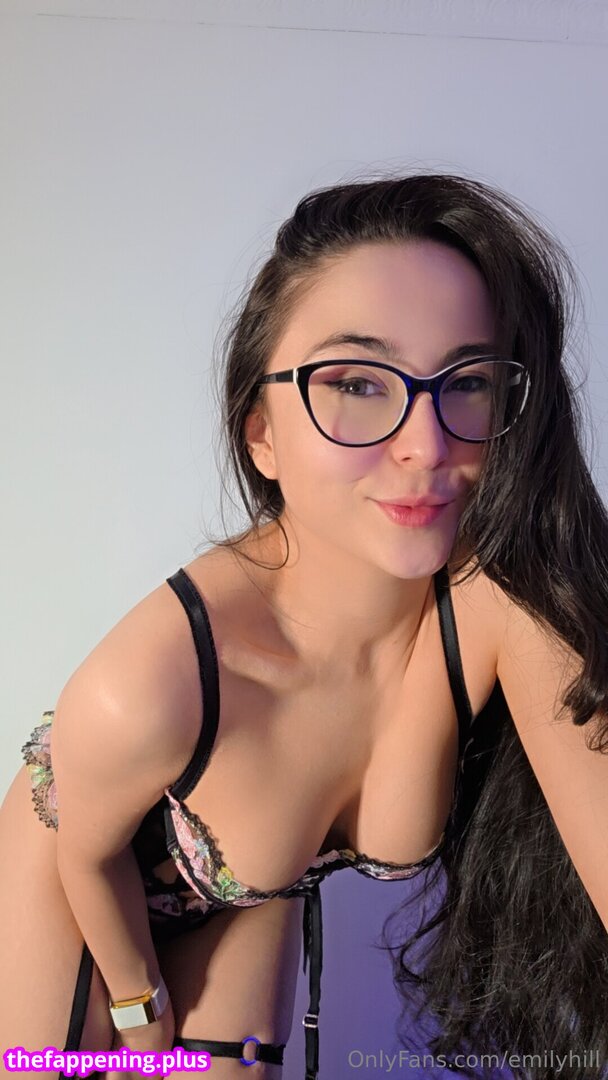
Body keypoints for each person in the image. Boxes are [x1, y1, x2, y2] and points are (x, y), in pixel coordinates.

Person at [1, 171, 607, 1080]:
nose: (427, 445)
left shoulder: (494, 596)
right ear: (262, 433)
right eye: (357, 382)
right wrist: (140, 1013)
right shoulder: (151, 682)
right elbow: (89, 860)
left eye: (470, 382)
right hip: (79, 878)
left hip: (253, 888)